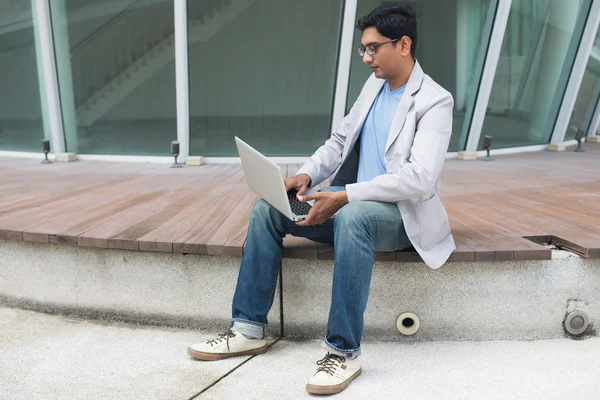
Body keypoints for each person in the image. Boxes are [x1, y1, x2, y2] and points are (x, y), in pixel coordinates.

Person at [187, 4, 455, 395]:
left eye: (372, 48)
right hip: (353, 204)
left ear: (404, 44)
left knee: (353, 218)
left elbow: (419, 178)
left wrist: (345, 195)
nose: (365, 58)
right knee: (268, 208)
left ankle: (343, 352)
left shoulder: (434, 101)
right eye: (362, 49)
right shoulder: (375, 86)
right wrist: (307, 175)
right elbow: (340, 141)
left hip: (399, 217)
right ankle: (248, 328)